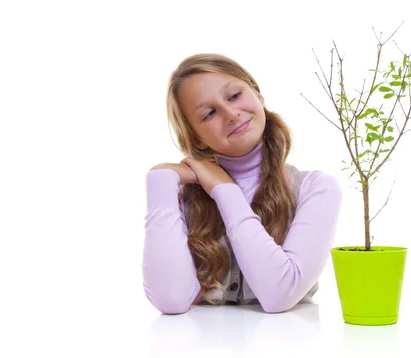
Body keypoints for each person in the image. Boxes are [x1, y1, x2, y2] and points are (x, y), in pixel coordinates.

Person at [142, 53, 342, 315]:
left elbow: (280, 295)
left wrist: (224, 189)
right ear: (197, 138)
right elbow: (170, 300)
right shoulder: (181, 196)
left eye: (235, 96)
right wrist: (160, 180)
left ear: (258, 95)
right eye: (210, 113)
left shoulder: (314, 189)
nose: (231, 113)